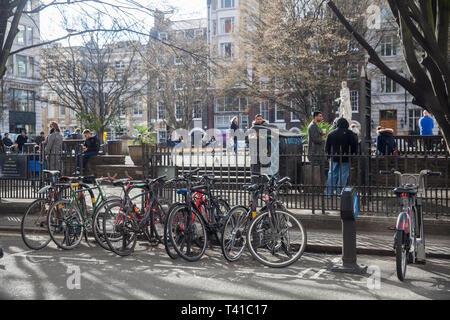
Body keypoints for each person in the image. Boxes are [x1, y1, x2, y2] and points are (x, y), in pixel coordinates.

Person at [325, 117, 358, 196]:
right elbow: (355, 145)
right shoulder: (350, 133)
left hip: (334, 156)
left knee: (332, 174)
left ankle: (329, 192)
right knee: (343, 175)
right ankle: (340, 192)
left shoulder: (331, 133)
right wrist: (353, 153)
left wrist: (328, 156)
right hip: (346, 157)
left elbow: (327, 147)